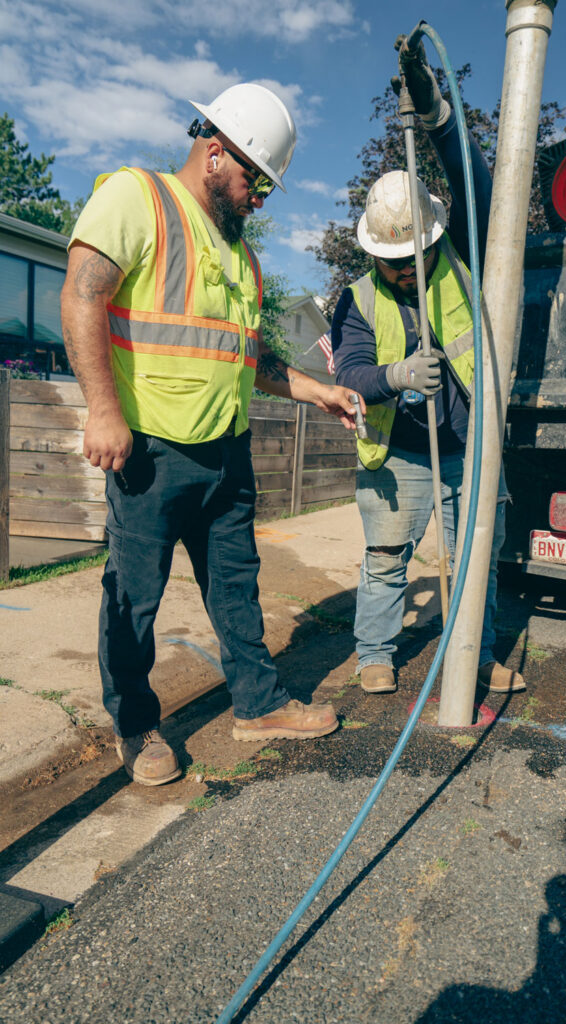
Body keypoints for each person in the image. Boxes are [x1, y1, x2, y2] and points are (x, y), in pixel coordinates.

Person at [61, 82, 363, 786]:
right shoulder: (139, 198)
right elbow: (82, 295)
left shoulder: (241, 258)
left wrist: (317, 390)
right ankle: (136, 726)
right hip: (150, 451)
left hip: (225, 453)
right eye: (257, 180)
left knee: (236, 587)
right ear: (216, 151)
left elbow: (248, 359)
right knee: (133, 598)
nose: (261, 197)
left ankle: (258, 704)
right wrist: (102, 411)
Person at [332, 42, 524, 697]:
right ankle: (374, 653)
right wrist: (395, 376)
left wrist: (437, 109)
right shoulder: (356, 299)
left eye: (409, 257)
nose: (401, 271)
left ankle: (476, 654)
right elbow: (350, 374)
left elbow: (472, 177)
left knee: (476, 563)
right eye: (389, 261)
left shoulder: (468, 258)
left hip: (472, 445)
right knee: (386, 559)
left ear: (434, 238)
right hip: (401, 451)